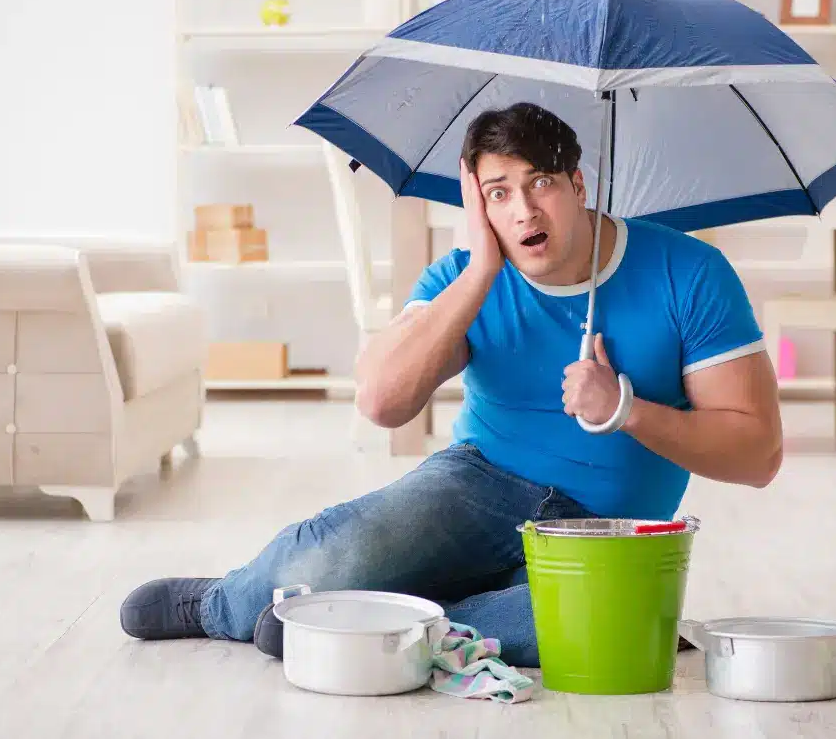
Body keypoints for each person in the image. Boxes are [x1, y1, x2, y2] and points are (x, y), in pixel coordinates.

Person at [119, 102, 783, 666]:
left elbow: (758, 455)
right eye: (498, 193)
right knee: (327, 561)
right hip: (480, 485)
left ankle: (368, 620)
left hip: (608, 531)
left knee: (607, 623)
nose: (524, 210)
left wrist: (627, 409)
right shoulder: (462, 278)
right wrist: (481, 272)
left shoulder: (690, 273)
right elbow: (382, 402)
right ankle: (221, 604)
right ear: (478, 206)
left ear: (578, 184)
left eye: (541, 182)